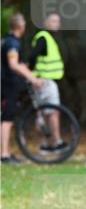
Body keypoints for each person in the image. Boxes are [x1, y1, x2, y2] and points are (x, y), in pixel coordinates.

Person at [1, 12, 43, 163]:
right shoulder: (12, 43)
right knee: (7, 119)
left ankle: (5, 152)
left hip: (6, 84)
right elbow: (13, 64)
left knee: (7, 119)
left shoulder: (7, 40)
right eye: (24, 23)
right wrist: (32, 77)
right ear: (20, 26)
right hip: (8, 85)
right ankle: (4, 155)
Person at [29, 11, 66, 152]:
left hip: (43, 80)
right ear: (45, 23)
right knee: (53, 111)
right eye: (53, 21)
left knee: (44, 113)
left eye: (58, 21)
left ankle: (45, 144)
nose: (56, 24)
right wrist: (33, 75)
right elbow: (33, 56)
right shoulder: (44, 38)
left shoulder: (49, 38)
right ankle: (56, 142)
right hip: (44, 81)